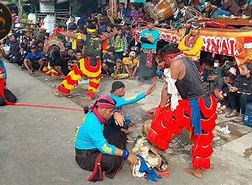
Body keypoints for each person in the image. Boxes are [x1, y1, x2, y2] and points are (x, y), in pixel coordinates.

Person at [146, 46, 217, 178]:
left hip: (194, 104)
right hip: (208, 102)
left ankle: (155, 153)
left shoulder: (175, 64)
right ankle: (199, 169)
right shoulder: (187, 59)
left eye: (163, 60)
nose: (163, 64)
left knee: (165, 122)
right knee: (202, 137)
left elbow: (168, 89)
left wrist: (160, 108)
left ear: (168, 57)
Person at [74, 95, 138, 181]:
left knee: (119, 135)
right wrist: (126, 154)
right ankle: (111, 167)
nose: (111, 113)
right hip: (85, 157)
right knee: (115, 160)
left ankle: (120, 153)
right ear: (101, 109)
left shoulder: (95, 112)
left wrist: (115, 113)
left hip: (94, 147)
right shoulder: (92, 124)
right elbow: (105, 148)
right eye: (110, 111)